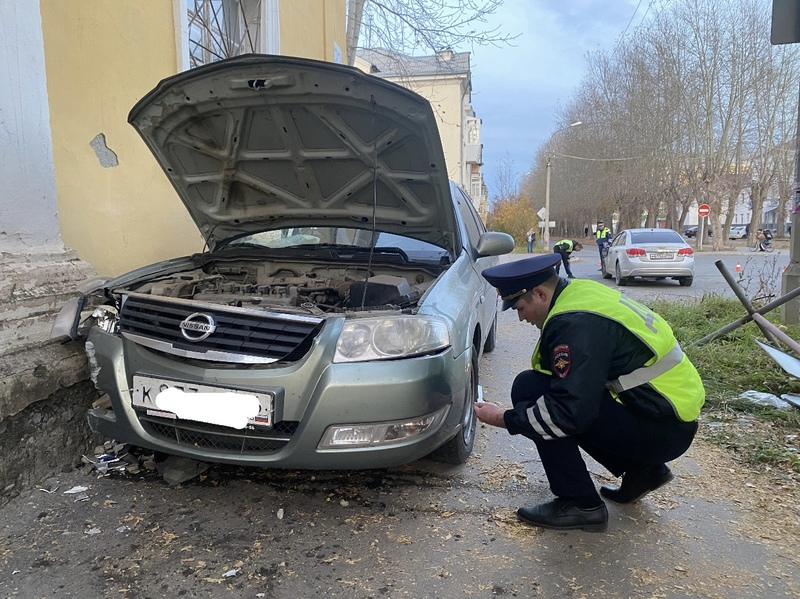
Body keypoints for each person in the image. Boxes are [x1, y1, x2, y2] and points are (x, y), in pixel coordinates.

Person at [475, 254, 705, 532]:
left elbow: (568, 414)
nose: (521, 317)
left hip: (661, 429)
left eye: (520, 307)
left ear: (540, 293)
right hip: (664, 416)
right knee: (542, 390)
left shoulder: (574, 323)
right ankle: (643, 472)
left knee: (531, 390)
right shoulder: (579, 293)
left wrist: (504, 418)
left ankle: (580, 504)